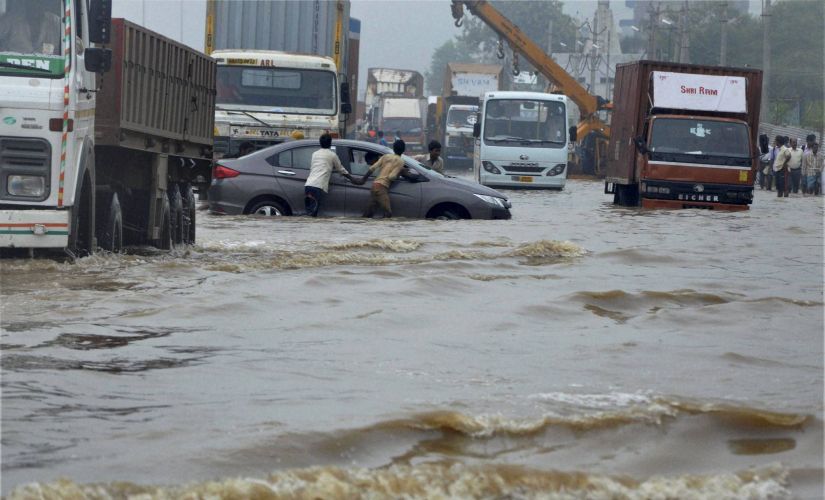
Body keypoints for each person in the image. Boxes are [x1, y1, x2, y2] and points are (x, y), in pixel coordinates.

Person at [358, 139, 419, 218]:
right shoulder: (401, 161)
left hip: (374, 186)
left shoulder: (385, 156)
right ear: (404, 150)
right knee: (388, 213)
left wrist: (363, 179)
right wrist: (400, 172)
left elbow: (372, 168)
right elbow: (391, 177)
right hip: (382, 187)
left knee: (368, 214)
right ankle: (382, 229)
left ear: (393, 148)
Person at [304, 133, 355, 217]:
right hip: (318, 187)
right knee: (313, 214)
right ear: (330, 143)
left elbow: (314, 167)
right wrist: (352, 178)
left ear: (320, 143)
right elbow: (340, 169)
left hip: (308, 185)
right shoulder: (332, 155)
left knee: (310, 212)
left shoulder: (315, 154)